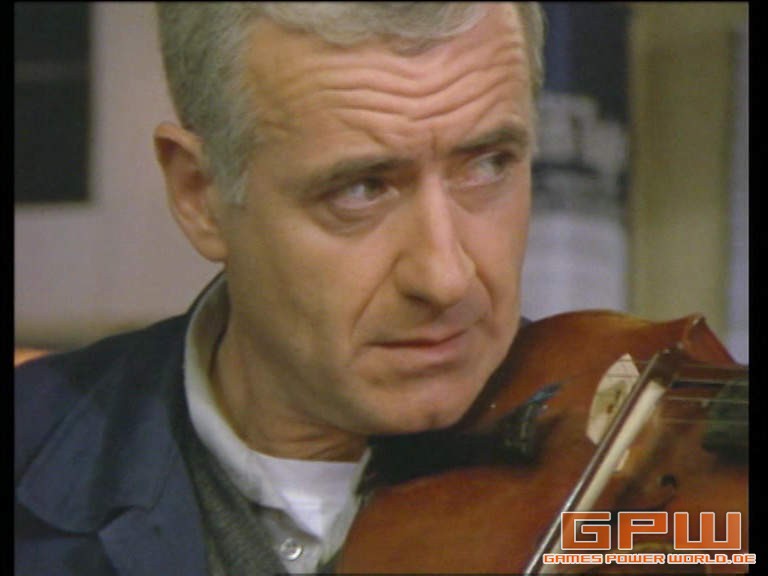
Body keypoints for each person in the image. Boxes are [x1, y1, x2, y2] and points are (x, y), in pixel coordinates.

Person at [15, 3, 545, 574]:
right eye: (362, 189)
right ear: (200, 194)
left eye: (489, 165)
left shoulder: (614, 495)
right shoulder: (29, 447)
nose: (445, 278)